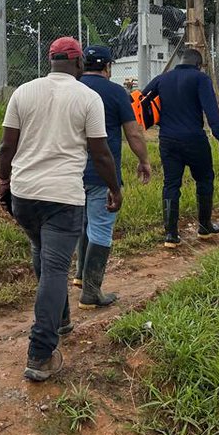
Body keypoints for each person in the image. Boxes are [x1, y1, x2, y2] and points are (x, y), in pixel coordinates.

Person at [0, 36, 122, 382]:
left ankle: (62, 318)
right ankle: (40, 354)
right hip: (63, 197)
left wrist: (4, 182)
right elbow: (100, 153)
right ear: (80, 64)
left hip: (25, 195)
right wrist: (115, 188)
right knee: (55, 269)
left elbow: (7, 147)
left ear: (50, 61)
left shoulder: (23, 92)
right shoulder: (88, 97)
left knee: (40, 250)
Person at [72, 46, 152, 309]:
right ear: (108, 67)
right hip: (101, 174)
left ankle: (80, 276)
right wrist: (144, 161)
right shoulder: (117, 92)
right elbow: (133, 133)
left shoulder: (71, 88)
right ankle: (91, 293)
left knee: (84, 221)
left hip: (70, 173)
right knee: (101, 227)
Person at [142, 48, 219, 248]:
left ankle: (171, 235)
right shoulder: (200, 79)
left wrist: (151, 119)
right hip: (194, 139)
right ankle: (205, 226)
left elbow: (141, 98)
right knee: (205, 179)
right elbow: (210, 108)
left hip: (167, 140)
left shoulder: (162, 79)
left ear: (180, 61)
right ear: (199, 64)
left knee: (171, 184)